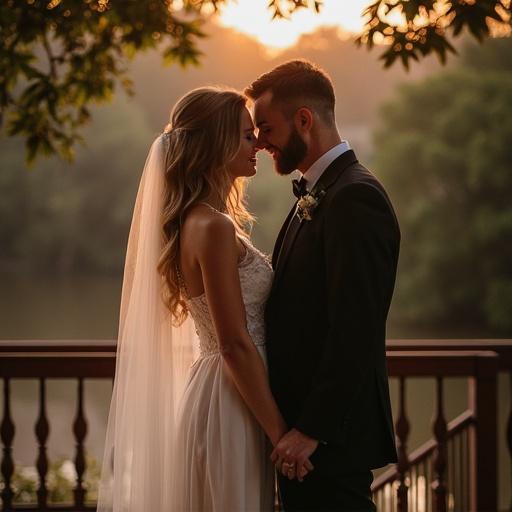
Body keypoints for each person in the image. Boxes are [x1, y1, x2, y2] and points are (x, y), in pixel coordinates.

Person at [97, 86, 313, 512]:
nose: (258, 145)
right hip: (232, 401)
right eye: (246, 135)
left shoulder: (198, 220)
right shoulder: (211, 227)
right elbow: (233, 343)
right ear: (215, 141)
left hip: (222, 392)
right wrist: (281, 434)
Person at [246, 59, 400, 511]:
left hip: (327, 441)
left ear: (304, 120)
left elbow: (356, 327)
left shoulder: (356, 197)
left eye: (265, 128)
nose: (260, 142)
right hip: (301, 434)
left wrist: (311, 430)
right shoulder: (317, 191)